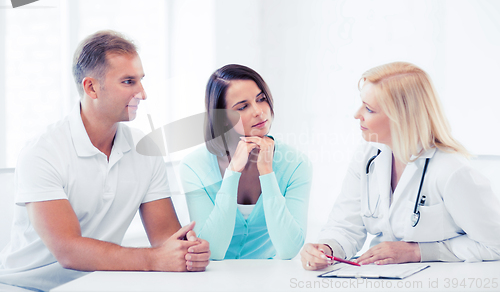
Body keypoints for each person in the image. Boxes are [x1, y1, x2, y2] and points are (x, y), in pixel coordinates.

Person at [0, 30, 210, 291]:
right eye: (128, 82)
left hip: (97, 283)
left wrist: (188, 249)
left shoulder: (145, 149)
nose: (142, 94)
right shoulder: (42, 152)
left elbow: (165, 238)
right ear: (91, 87)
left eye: (140, 80)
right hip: (26, 287)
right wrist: (155, 258)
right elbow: (69, 251)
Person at [301, 61, 500, 270]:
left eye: (369, 109)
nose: (356, 114)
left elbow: (495, 244)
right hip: (382, 278)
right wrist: (326, 248)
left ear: (401, 118)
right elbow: (345, 226)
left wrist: (418, 252)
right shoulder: (368, 155)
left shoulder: (450, 171)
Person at [179, 64, 312, 260]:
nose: (259, 112)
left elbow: (288, 249)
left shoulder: (296, 164)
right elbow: (212, 251)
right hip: (212, 281)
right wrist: (232, 173)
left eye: (261, 99)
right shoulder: (194, 166)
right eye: (242, 106)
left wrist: (267, 172)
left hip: (270, 280)